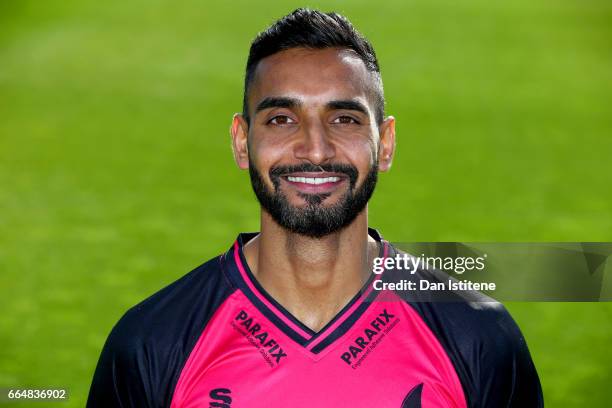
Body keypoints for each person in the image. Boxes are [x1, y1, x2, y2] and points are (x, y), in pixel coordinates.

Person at [88, 8, 543, 407]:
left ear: (384, 144)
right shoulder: (152, 342)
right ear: (242, 142)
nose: (316, 150)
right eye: (282, 119)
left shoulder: (478, 337)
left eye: (343, 119)